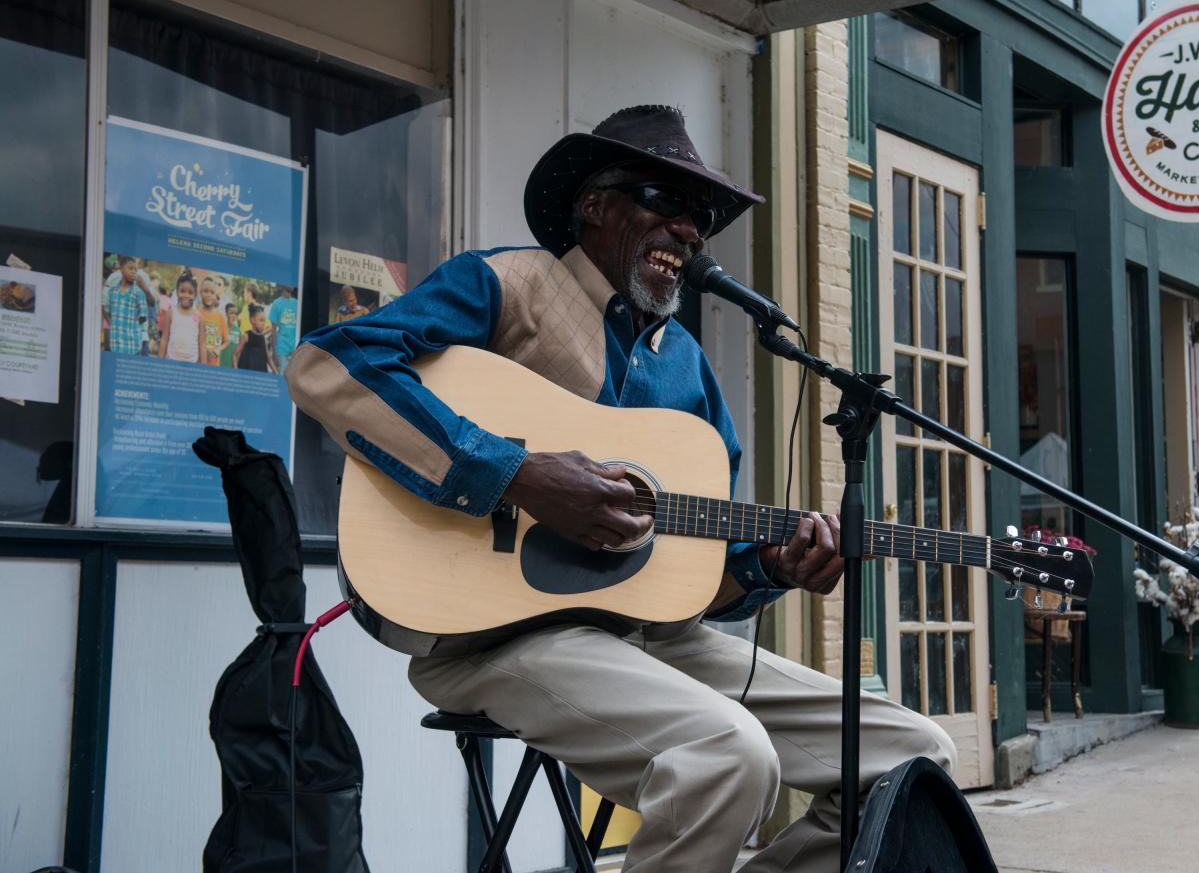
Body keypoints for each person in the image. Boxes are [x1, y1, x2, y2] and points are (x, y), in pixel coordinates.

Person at [285, 106, 953, 873]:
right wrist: (515, 472)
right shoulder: (506, 284)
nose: (690, 231)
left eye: (700, 217)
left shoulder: (687, 368)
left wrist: (769, 567)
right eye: (665, 202)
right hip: (496, 638)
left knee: (912, 757)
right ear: (596, 207)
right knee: (730, 755)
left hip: (652, 643)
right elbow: (326, 366)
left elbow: (698, 580)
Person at [101, 256, 154, 356]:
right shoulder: (113, 285)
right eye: (130, 268)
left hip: (136, 342)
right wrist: (113, 324)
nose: (133, 271)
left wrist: (142, 284)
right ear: (121, 268)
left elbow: (151, 304)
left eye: (135, 269)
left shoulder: (141, 284)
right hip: (116, 341)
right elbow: (105, 305)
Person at [159, 273, 202, 363]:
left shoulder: (199, 316)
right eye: (182, 291)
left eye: (190, 292)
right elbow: (164, 339)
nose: (186, 295)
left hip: (191, 363)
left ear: (195, 294)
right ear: (177, 292)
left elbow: (202, 344)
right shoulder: (171, 313)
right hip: (171, 361)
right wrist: (160, 363)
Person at [235, 303, 275, 372]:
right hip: (247, 373)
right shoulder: (246, 336)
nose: (263, 323)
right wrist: (235, 370)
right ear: (252, 320)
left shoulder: (263, 339)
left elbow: (268, 358)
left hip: (260, 374)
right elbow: (235, 355)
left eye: (264, 321)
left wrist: (276, 372)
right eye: (261, 320)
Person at [267, 284, 298, 373]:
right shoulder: (276, 304)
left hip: (294, 348)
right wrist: (274, 353)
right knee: (282, 377)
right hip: (281, 348)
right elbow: (273, 330)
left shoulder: (296, 303)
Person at [198, 277, 229, 366]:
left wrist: (219, 348)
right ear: (200, 293)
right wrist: (205, 348)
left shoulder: (221, 317)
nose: (209, 295)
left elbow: (226, 341)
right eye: (205, 291)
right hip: (198, 361)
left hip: (214, 364)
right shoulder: (196, 314)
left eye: (212, 292)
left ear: (216, 296)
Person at [219, 302, 242, 368]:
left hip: (233, 364)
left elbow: (239, 350)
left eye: (235, 313)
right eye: (231, 313)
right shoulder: (222, 327)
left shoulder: (238, 331)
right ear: (226, 314)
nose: (234, 315)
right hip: (221, 363)